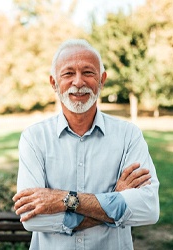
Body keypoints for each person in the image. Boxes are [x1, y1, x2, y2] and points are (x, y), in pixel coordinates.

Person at [12, 39, 159, 250]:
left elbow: (148, 209)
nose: (78, 82)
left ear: (102, 80)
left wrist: (64, 199)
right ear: (54, 83)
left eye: (88, 72)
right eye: (68, 73)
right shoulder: (34, 138)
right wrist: (115, 200)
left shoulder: (129, 135)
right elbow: (32, 219)